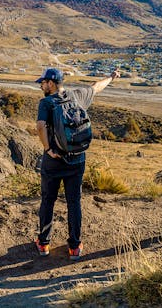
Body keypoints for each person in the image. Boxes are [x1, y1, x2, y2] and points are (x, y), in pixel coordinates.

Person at [34, 68, 121, 261]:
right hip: (77, 159)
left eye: (43, 82)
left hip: (54, 160)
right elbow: (96, 88)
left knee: (48, 200)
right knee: (74, 203)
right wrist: (112, 78)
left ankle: (44, 243)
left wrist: (48, 149)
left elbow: (40, 126)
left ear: (51, 83)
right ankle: (74, 246)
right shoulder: (77, 95)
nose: (41, 85)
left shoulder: (46, 103)